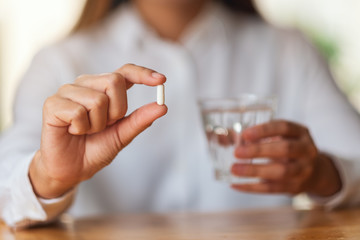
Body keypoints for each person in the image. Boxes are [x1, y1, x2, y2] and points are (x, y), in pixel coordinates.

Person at [1, 0, 360, 228]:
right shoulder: (58, 63)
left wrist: (321, 173)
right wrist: (48, 176)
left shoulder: (288, 51)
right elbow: (6, 189)